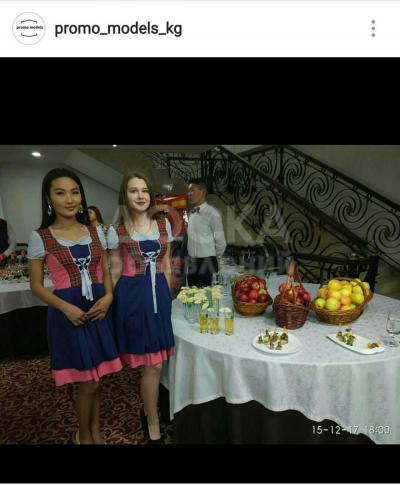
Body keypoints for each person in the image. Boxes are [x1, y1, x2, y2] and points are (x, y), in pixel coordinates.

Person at [28, 168, 122, 445]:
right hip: (68, 316)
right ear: (49, 199)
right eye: (60, 193)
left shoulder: (96, 232)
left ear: (81, 197)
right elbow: (36, 286)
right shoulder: (41, 237)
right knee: (87, 381)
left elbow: (105, 271)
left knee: (97, 378)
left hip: (98, 310)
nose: (69, 199)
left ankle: (94, 429)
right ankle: (84, 433)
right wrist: (65, 308)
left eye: (74, 192)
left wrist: (109, 296)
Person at [107, 172, 175, 444]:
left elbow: (167, 264)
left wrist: (168, 296)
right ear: (124, 195)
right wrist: (110, 301)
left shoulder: (163, 225)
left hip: (159, 295)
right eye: (133, 190)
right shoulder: (117, 230)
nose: (140, 195)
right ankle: (152, 418)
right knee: (152, 364)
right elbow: (114, 269)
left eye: (144, 190)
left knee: (158, 363)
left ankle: (149, 408)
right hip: (132, 296)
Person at [186, 178, 227, 287]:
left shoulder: (213, 213)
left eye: (192, 190)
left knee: (207, 295)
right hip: (192, 262)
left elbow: (221, 243)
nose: (189, 194)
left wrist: (213, 258)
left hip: (206, 262)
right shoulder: (192, 214)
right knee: (191, 294)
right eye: (188, 191)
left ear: (203, 192)